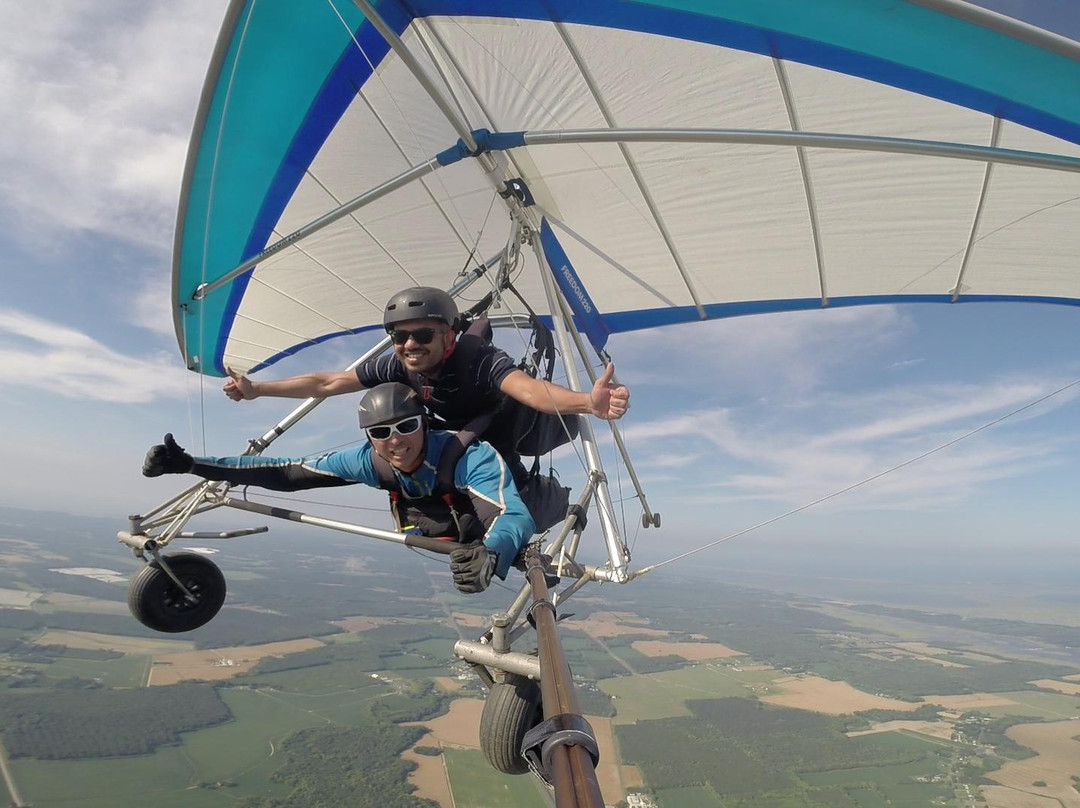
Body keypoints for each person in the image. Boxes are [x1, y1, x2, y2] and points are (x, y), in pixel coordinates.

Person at [143, 383, 535, 594]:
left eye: (407, 426)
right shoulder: (370, 459)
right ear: (369, 437)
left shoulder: (467, 455)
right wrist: (193, 465)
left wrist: (491, 554)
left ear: (425, 424)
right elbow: (285, 472)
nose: (395, 440)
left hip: (489, 518)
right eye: (381, 432)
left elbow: (512, 514)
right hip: (438, 524)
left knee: (501, 524)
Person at [222, 286, 629, 483]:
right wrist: (259, 389)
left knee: (474, 458)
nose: (410, 344)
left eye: (423, 335)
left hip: (508, 427)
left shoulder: (478, 359)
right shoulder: (401, 365)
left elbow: (529, 390)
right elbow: (328, 381)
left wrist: (586, 403)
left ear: (449, 337)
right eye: (400, 337)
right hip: (459, 425)